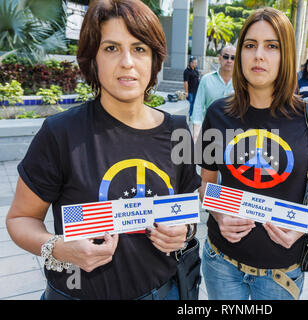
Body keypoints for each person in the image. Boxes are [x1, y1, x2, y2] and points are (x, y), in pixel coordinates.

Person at [5, 0, 201, 300]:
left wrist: (183, 231)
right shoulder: (61, 133)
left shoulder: (177, 130)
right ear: (93, 59)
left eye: (139, 49)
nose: (127, 62)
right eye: (111, 48)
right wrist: (58, 248)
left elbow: (188, 206)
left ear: (153, 60)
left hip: (164, 292)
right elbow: (20, 219)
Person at [197, 7, 308, 300]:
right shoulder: (218, 113)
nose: (259, 55)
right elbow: (206, 183)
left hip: (281, 274)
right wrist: (217, 213)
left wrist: (303, 225)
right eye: (250, 45)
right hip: (221, 263)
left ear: (287, 56)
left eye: (272, 46)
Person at [191, 45, 236, 141]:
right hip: (210, 132)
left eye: (233, 58)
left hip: (234, 134)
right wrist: (196, 132)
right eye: (226, 56)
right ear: (219, 58)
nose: (229, 60)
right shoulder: (206, 80)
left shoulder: (242, 83)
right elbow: (198, 106)